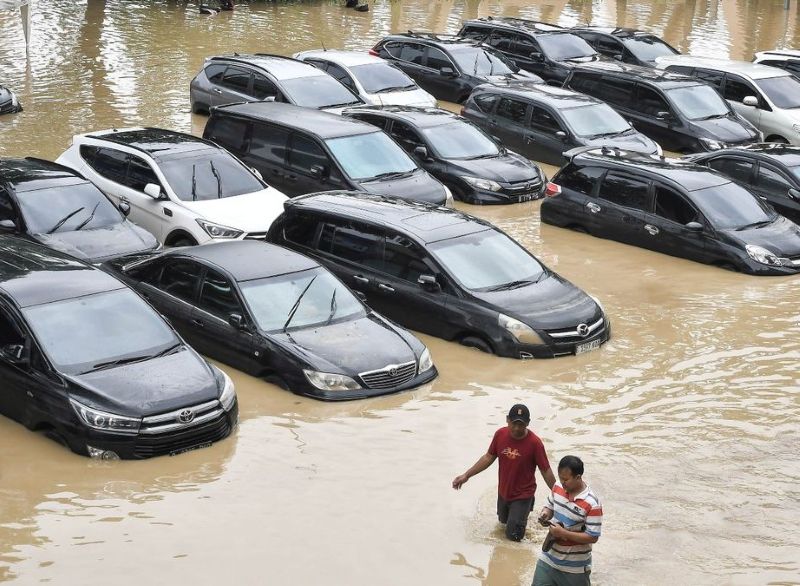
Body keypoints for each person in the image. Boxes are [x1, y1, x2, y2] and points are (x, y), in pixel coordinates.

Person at [453, 404, 556, 541]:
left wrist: (559, 493)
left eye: (521, 425)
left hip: (523, 496)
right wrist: (466, 475)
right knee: (502, 526)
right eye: (514, 424)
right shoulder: (500, 435)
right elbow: (488, 457)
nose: (517, 428)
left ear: (528, 423)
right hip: (503, 493)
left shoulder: (535, 443)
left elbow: (545, 470)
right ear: (507, 420)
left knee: (513, 538)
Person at [533, 455, 603, 586]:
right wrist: (545, 514)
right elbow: (549, 506)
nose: (562, 482)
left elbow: (593, 537)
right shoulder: (557, 487)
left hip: (575, 568)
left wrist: (563, 534)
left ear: (578, 477)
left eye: (566, 479)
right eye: (560, 478)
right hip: (548, 558)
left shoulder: (592, 504)